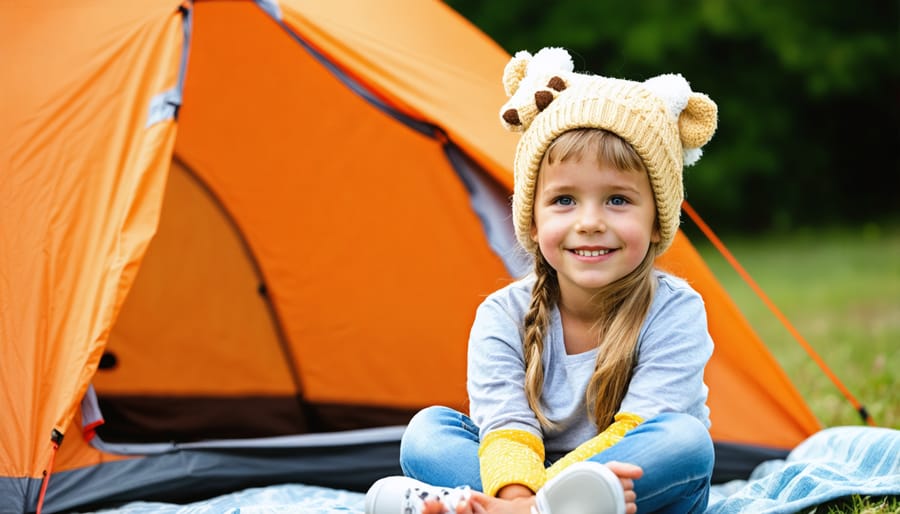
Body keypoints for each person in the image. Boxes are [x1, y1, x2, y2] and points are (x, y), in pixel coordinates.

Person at [367, 47, 720, 514]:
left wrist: (533, 502)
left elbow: (642, 428)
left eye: (617, 200)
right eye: (564, 201)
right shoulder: (502, 314)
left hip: (633, 492)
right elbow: (506, 427)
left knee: (685, 440)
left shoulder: (675, 310)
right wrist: (520, 494)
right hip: (520, 479)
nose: (590, 222)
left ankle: (501, 510)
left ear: (657, 220)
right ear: (532, 221)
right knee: (428, 433)